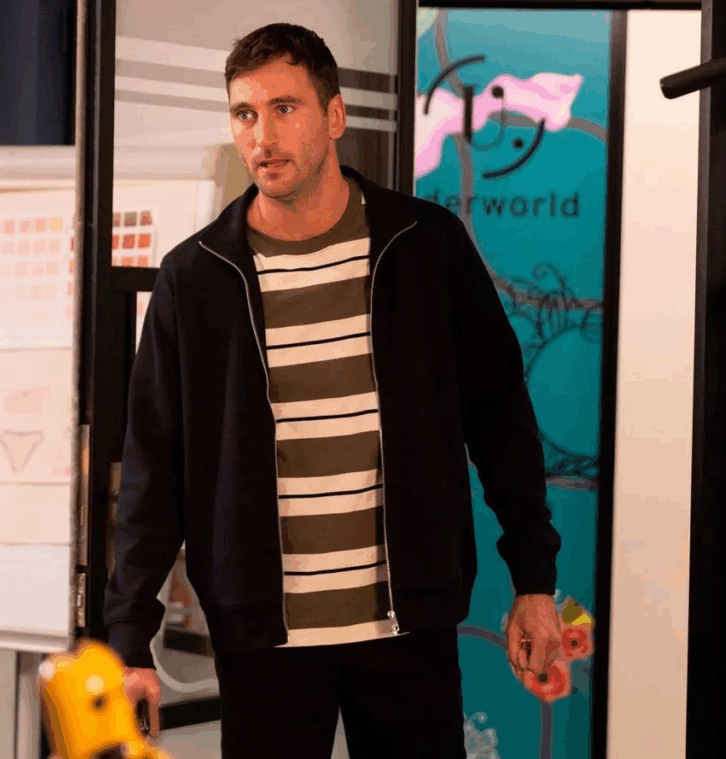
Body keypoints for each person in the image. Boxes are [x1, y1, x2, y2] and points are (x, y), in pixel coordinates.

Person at [104, 22, 563, 759]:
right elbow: (153, 470)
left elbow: (501, 419)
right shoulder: (195, 278)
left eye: (285, 108)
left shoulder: (423, 247)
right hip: (264, 641)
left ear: (336, 115)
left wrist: (534, 581)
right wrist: (129, 638)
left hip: (407, 628)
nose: (263, 136)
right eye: (245, 114)